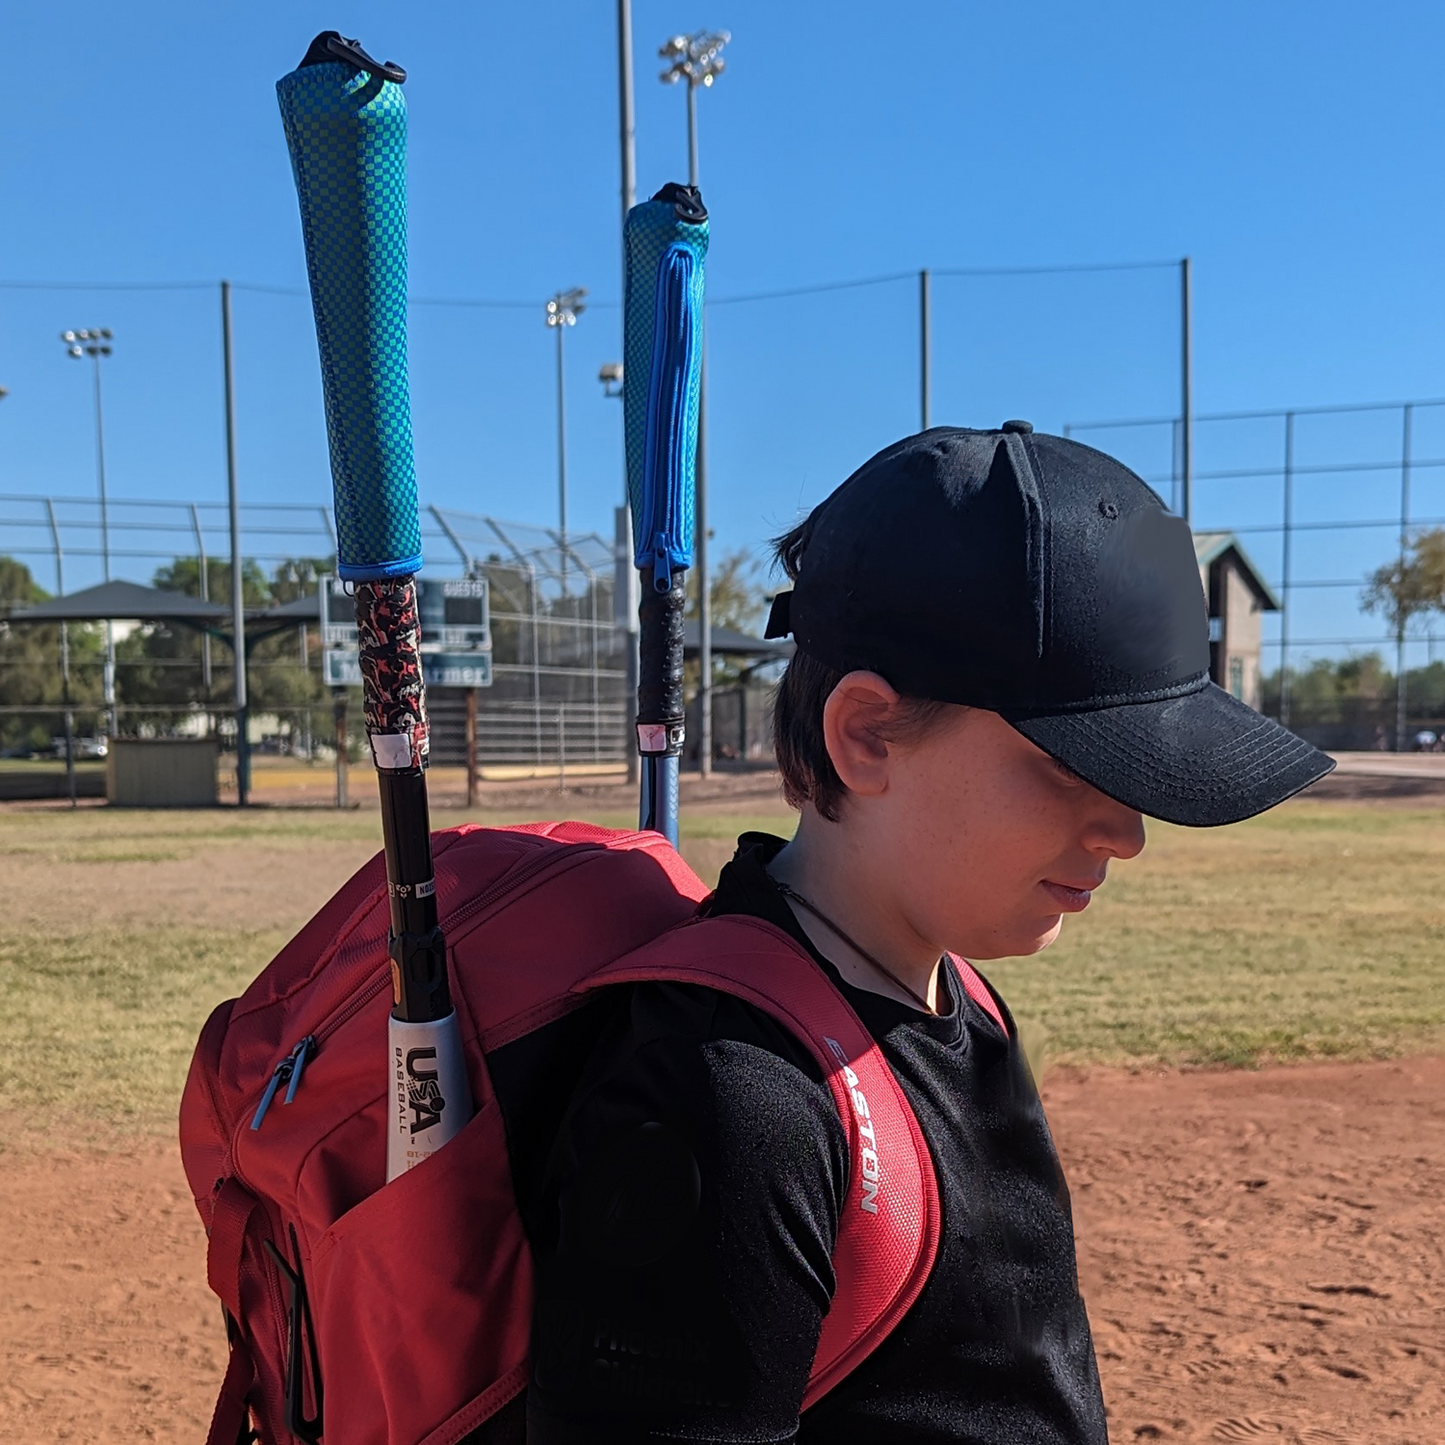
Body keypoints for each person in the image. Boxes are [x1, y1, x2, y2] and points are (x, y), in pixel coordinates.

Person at [494, 423, 1335, 1444]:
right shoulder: (728, 1100)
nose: (1125, 832)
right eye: (1072, 767)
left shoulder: (953, 991)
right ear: (866, 735)